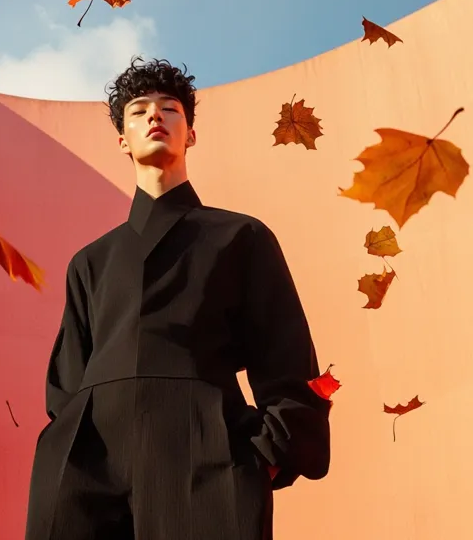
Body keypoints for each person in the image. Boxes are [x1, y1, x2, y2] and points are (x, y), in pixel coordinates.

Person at [24, 57, 331, 540]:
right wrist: (64, 456)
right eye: (139, 110)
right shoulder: (89, 262)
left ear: (190, 134)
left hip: (206, 459)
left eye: (170, 109)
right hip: (86, 469)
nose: (154, 117)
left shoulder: (241, 237)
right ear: (122, 140)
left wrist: (263, 459)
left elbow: (286, 359)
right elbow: (65, 389)